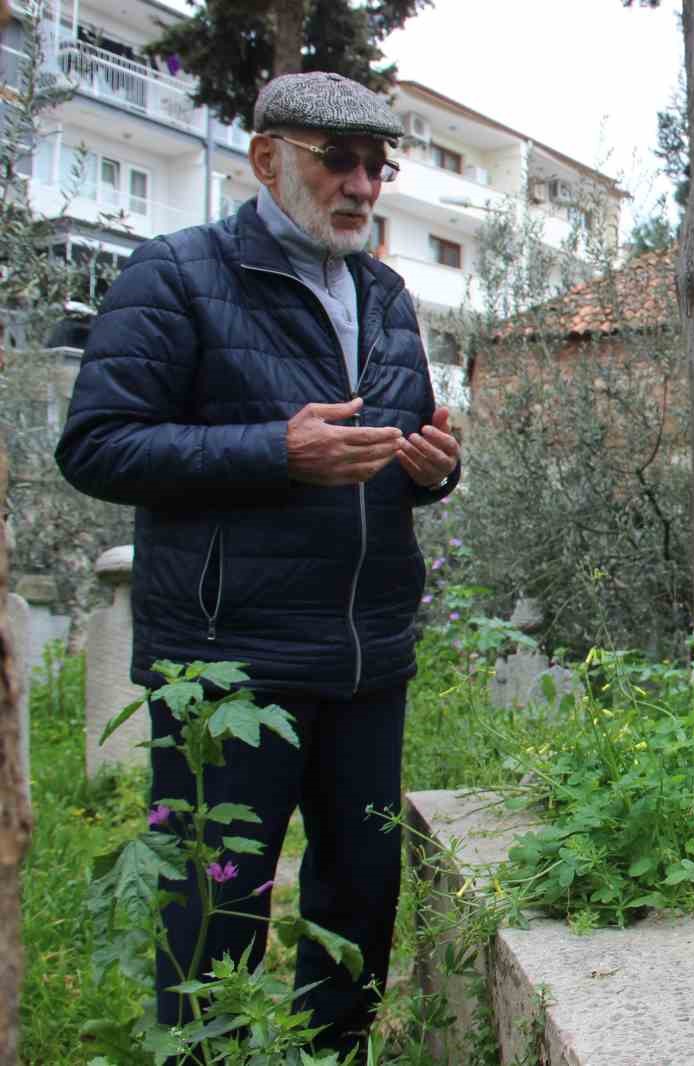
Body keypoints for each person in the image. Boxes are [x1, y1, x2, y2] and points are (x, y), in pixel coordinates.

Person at [55, 72, 459, 1053]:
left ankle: (337, 1053)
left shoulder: (385, 291)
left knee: (361, 896)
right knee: (213, 909)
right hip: (225, 663)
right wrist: (275, 451)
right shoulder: (176, 274)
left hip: (368, 661)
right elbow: (98, 445)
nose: (363, 185)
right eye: (339, 161)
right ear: (268, 157)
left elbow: (386, 463)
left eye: (377, 165)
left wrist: (432, 471)